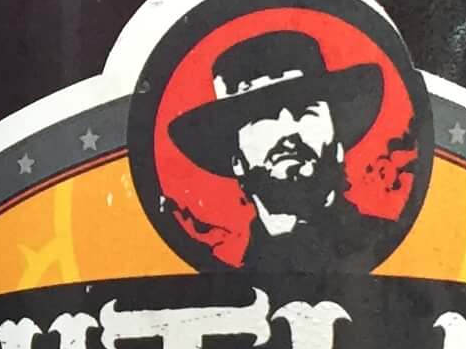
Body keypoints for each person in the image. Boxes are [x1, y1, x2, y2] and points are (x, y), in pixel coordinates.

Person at [166, 30, 388, 278]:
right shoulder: (223, 271)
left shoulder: (387, 241)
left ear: (338, 146)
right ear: (237, 162)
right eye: (262, 116)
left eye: (306, 110)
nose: (288, 130)